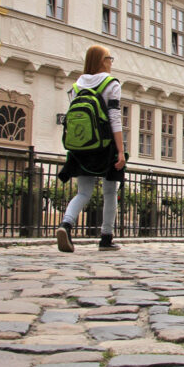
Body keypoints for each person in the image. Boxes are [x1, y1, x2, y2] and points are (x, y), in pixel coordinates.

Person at [56, 45, 126, 252]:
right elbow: (114, 118)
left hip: (82, 146)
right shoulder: (111, 84)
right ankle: (106, 237)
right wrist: (120, 150)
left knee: (83, 192)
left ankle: (66, 224)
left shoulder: (76, 86)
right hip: (105, 145)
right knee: (110, 192)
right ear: (102, 61)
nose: (111, 62)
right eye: (109, 58)